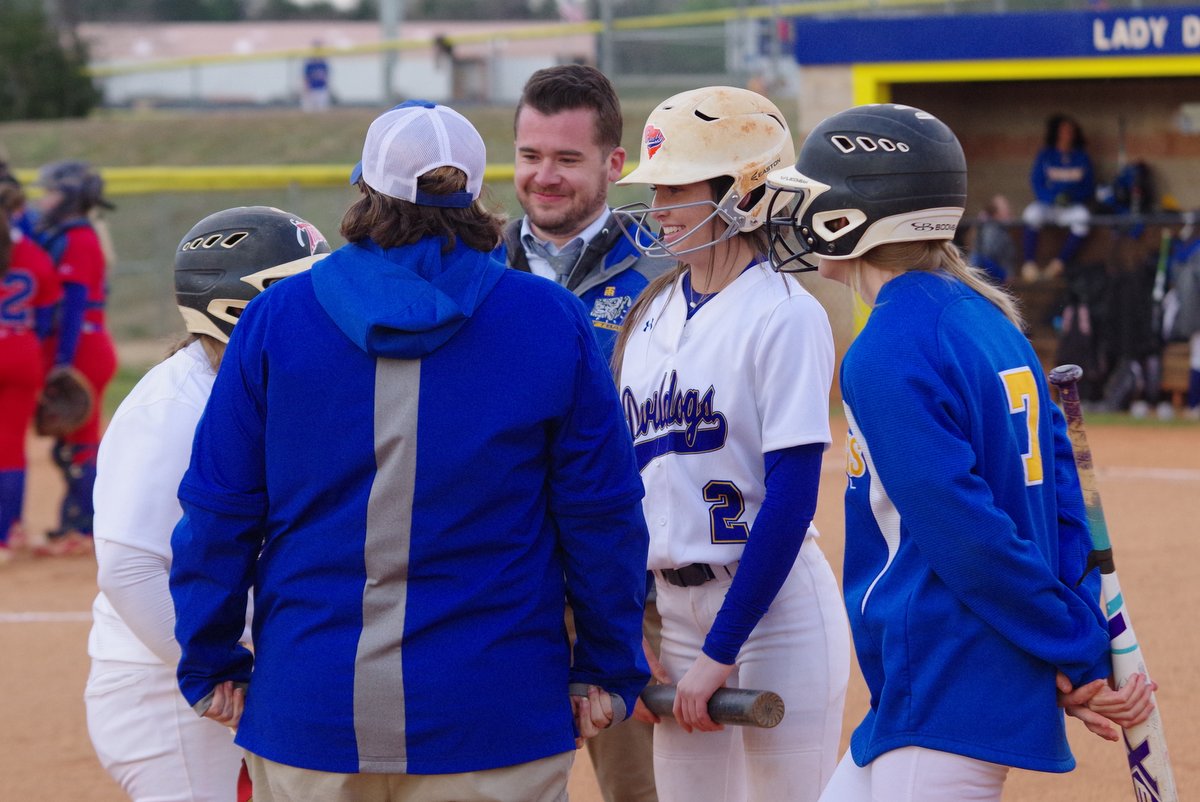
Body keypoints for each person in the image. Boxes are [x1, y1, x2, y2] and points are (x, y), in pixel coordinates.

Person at [168, 100, 652, 802]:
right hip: (495, 710)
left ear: (365, 188)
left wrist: (210, 658)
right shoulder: (549, 318)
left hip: (313, 705)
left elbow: (219, 512)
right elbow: (601, 515)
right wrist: (606, 665)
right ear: (476, 195)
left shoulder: (275, 317)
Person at [765, 103, 1156, 801]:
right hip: (929, 688)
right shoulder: (991, 320)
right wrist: (1076, 633)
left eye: (814, 198)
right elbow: (1062, 503)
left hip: (945, 675)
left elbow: (970, 536)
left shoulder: (887, 349)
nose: (799, 214)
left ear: (855, 214)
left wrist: (1076, 649)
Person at [612, 86, 850, 802]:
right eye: (656, 190)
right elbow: (625, 490)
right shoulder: (649, 315)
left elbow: (793, 497)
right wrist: (629, 628)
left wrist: (723, 649)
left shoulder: (783, 314)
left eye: (676, 188)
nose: (658, 208)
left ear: (741, 193)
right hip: (673, 611)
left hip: (773, 612)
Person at [85, 206, 331, 801]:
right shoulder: (174, 404)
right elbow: (129, 567)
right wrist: (214, 670)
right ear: (236, 306)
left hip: (233, 668)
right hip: (170, 694)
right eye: (300, 285)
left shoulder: (250, 380)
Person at [496, 63, 671, 802]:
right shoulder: (473, 266)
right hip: (505, 591)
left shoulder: (667, 269)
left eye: (568, 158)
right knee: (499, 786)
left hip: (628, 592)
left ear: (614, 163)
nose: (544, 177)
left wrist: (628, 614)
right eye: (530, 155)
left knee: (642, 792)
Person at [32, 159, 117, 557]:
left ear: (70, 198)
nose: (43, 199)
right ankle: (74, 520)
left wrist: (62, 361)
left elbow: (74, 305)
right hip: (75, 346)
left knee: (80, 445)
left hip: (82, 349)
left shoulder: (80, 239)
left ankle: (87, 527)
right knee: (65, 446)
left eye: (51, 192)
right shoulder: (62, 235)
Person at [0, 168, 62, 561]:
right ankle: (6, 537)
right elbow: (45, 318)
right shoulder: (34, 255)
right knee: (9, 448)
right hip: (22, 353)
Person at [1020, 113, 1095, 282]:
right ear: (1056, 133)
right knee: (1031, 214)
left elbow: (1089, 187)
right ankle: (1029, 265)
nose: (1067, 134)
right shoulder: (1046, 155)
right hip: (1048, 206)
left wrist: (1072, 197)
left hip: (1070, 206)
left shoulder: (1081, 157)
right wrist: (1051, 198)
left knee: (1083, 217)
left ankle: (1058, 265)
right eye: (1063, 131)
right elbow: (1037, 182)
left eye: (1070, 131)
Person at [967, 193, 1018, 284]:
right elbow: (985, 257)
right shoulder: (990, 229)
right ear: (996, 213)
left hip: (998, 276)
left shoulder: (1001, 228)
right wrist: (1005, 275)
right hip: (989, 277)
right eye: (1004, 207)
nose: (1008, 210)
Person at [301, 41, 331, 113]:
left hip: (321, 89)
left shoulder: (323, 63)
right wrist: (306, 87)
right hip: (311, 89)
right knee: (309, 110)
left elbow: (326, 77)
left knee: (322, 110)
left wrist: (327, 87)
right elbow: (305, 77)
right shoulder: (309, 63)